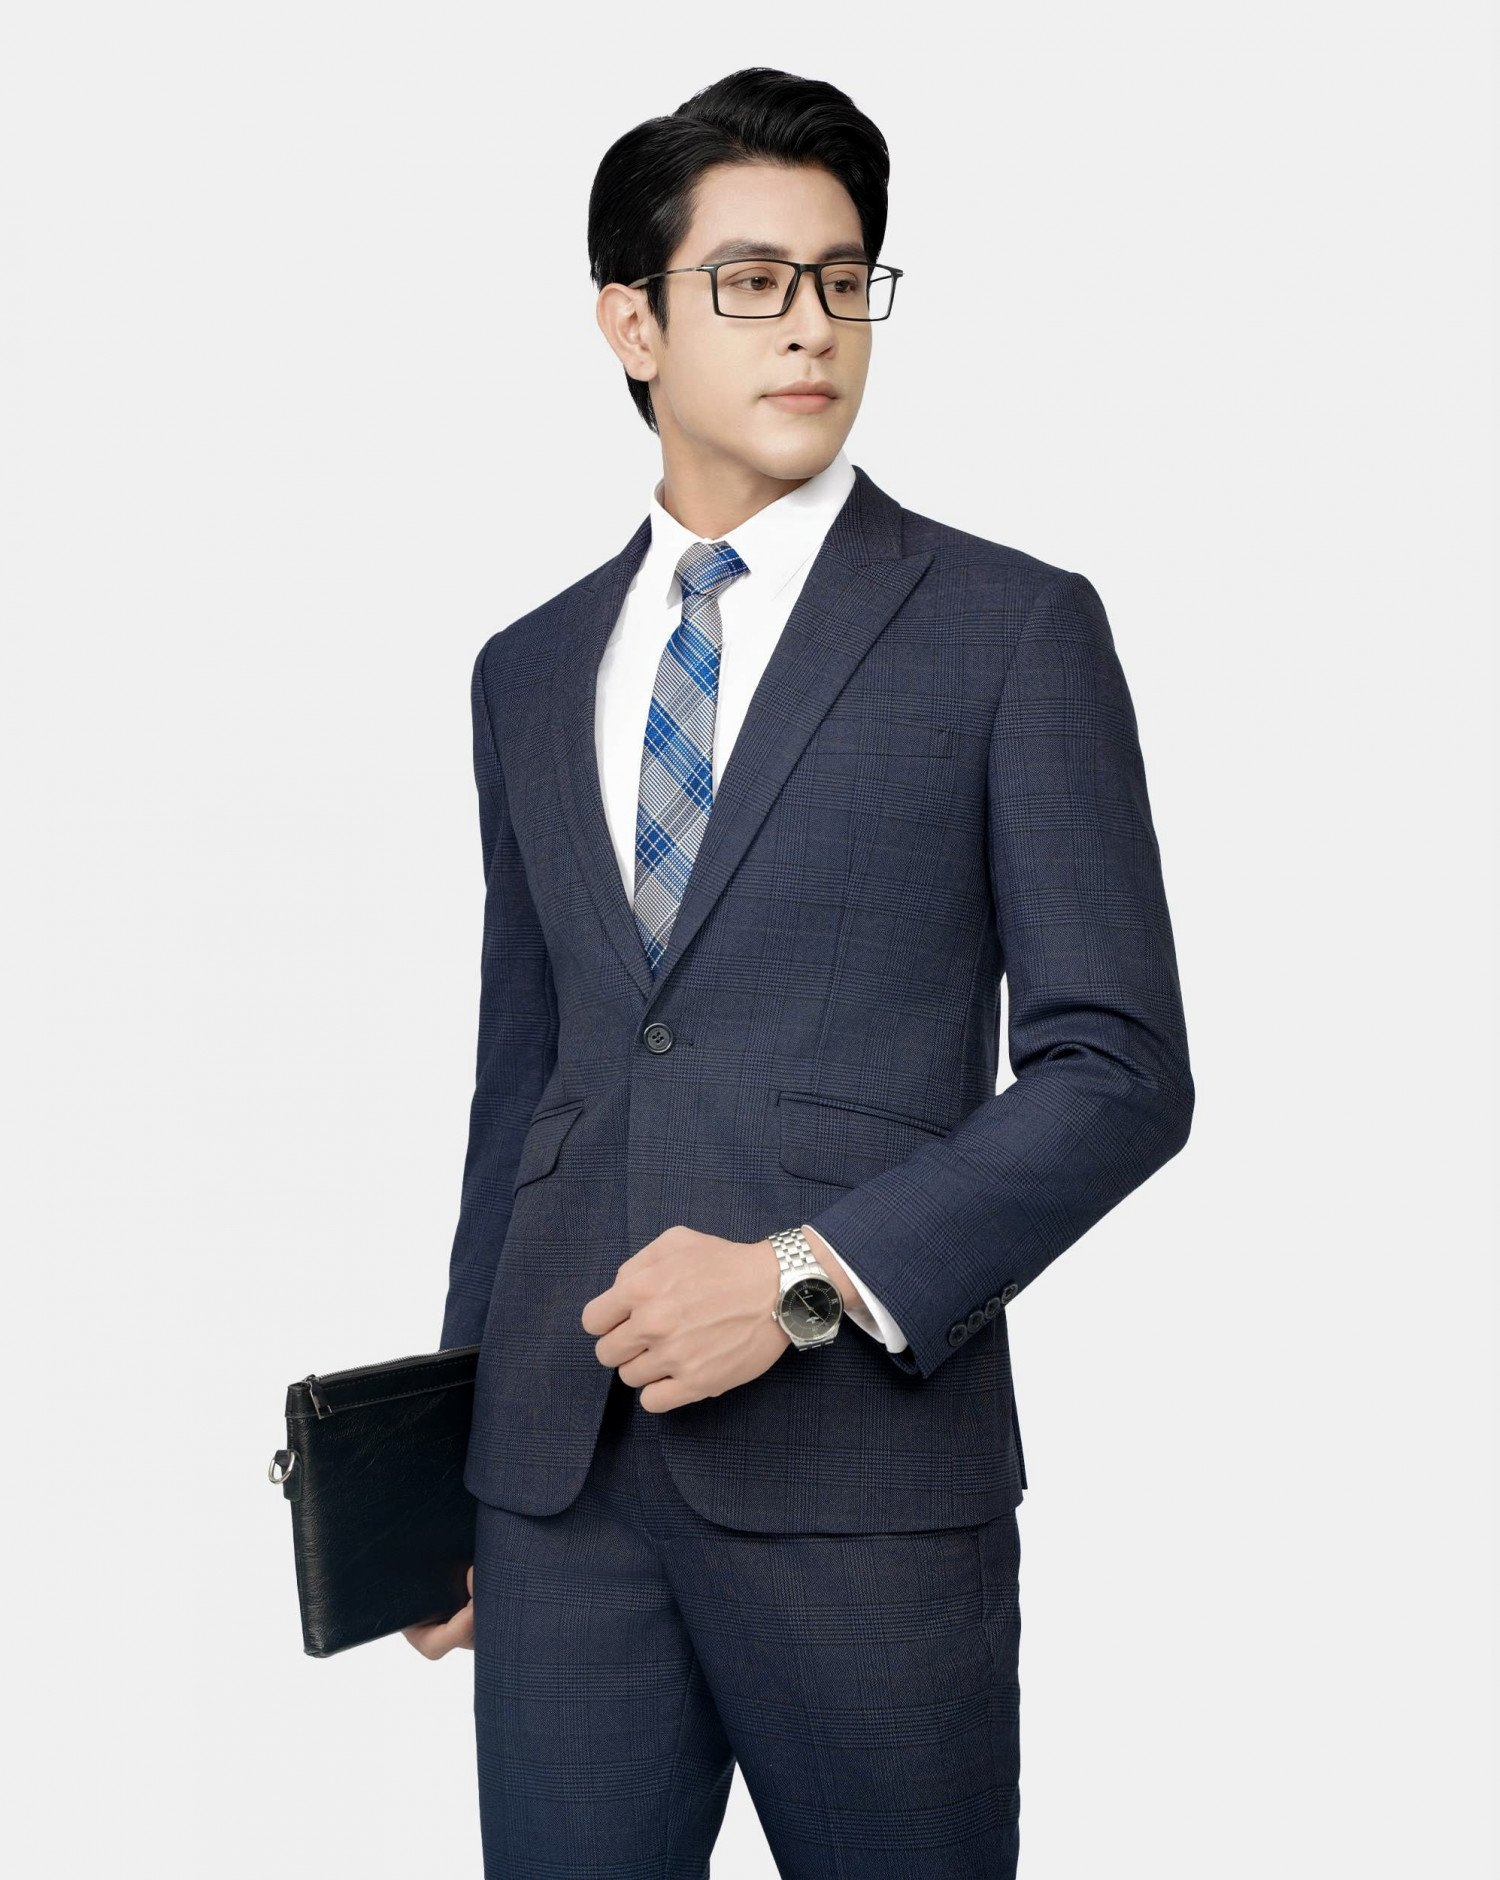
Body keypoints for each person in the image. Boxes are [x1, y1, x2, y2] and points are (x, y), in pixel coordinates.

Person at [403, 65, 1193, 1879]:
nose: (814, 325)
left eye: (844, 280)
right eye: (752, 282)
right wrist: (448, 1454)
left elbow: (1120, 1070)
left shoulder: (1010, 628)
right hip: (558, 1496)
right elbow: (524, 1088)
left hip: (862, 1488)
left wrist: (801, 1282)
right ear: (632, 322)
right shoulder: (526, 669)